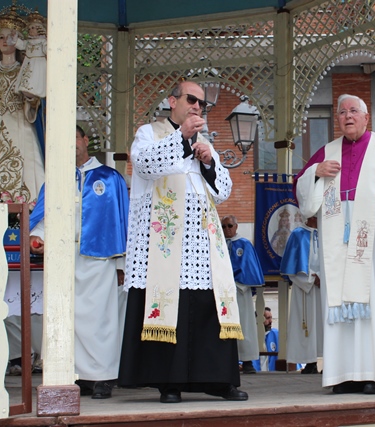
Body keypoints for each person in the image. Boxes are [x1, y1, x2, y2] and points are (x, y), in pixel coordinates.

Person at [118, 81, 248, 404]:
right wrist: (181, 138)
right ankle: (170, 383)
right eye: (191, 99)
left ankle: (218, 381)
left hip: (202, 247)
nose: (197, 107)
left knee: (207, 311)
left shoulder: (205, 142)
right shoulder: (150, 133)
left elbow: (224, 191)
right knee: (171, 309)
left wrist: (209, 161)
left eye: (202, 103)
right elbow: (144, 165)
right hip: (165, 245)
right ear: (172, 101)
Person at [294, 94, 375, 394]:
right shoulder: (327, 152)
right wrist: (315, 172)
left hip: (374, 238)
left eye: (353, 111)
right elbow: (302, 192)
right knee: (338, 299)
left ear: (366, 117)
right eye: (342, 112)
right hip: (337, 240)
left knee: (374, 299)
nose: (347, 116)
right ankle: (342, 375)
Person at [29, 125, 129, 399]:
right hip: (63, 258)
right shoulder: (56, 179)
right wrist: (37, 237)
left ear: (85, 140)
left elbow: (123, 221)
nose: (71, 143)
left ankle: (104, 377)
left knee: (101, 320)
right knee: (66, 319)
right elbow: (44, 218)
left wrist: (122, 265)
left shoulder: (110, 178)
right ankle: (77, 375)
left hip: (100, 258)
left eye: (74, 137)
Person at [0, 7, 44, 204]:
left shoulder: (24, 70)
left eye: (9, 37)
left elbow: (34, 99)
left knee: (24, 162)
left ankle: (23, 202)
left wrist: (30, 99)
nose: (4, 41)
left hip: (18, 121)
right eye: (1, 37)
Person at [221, 214, 265, 374]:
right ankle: (228, 361)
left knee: (244, 325)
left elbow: (250, 268)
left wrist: (237, 284)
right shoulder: (219, 244)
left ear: (236, 226)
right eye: (224, 226)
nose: (227, 229)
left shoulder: (244, 244)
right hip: (223, 292)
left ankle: (247, 361)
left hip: (240, 290)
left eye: (229, 226)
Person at [280, 216, 323, 374]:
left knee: (323, 324)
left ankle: (328, 361)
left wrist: (323, 278)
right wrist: (311, 279)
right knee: (307, 325)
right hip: (305, 288)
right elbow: (291, 267)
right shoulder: (298, 234)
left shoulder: (326, 233)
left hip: (324, 288)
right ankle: (310, 362)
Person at [9, 10, 47, 99]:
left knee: (36, 78)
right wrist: (15, 38)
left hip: (39, 64)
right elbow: (21, 45)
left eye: (33, 28)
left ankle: (36, 91)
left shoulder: (43, 41)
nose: (30, 30)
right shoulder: (28, 42)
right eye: (29, 29)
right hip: (28, 62)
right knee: (27, 77)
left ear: (39, 29)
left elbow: (47, 50)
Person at [252, 307, 279, 372]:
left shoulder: (276, 334)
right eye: (267, 318)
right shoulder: (251, 337)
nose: (271, 321)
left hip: (273, 374)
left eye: (271, 318)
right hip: (255, 375)